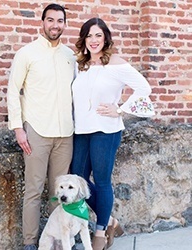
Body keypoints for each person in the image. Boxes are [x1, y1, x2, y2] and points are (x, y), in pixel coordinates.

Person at [70, 17, 155, 250]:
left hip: (106, 131)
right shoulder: (81, 64)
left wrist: (120, 109)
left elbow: (144, 88)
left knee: (102, 181)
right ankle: (112, 221)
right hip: (81, 131)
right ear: (84, 39)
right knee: (77, 180)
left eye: (98, 35)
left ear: (105, 38)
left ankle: (100, 232)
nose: (94, 40)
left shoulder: (115, 63)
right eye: (89, 35)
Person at [7, 4, 75, 250]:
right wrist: (18, 128)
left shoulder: (71, 56)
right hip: (36, 131)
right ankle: (29, 243)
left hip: (66, 134)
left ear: (64, 24)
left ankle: (59, 241)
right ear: (42, 22)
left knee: (61, 194)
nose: (55, 25)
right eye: (50, 20)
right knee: (33, 191)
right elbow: (13, 91)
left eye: (60, 20)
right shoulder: (27, 53)